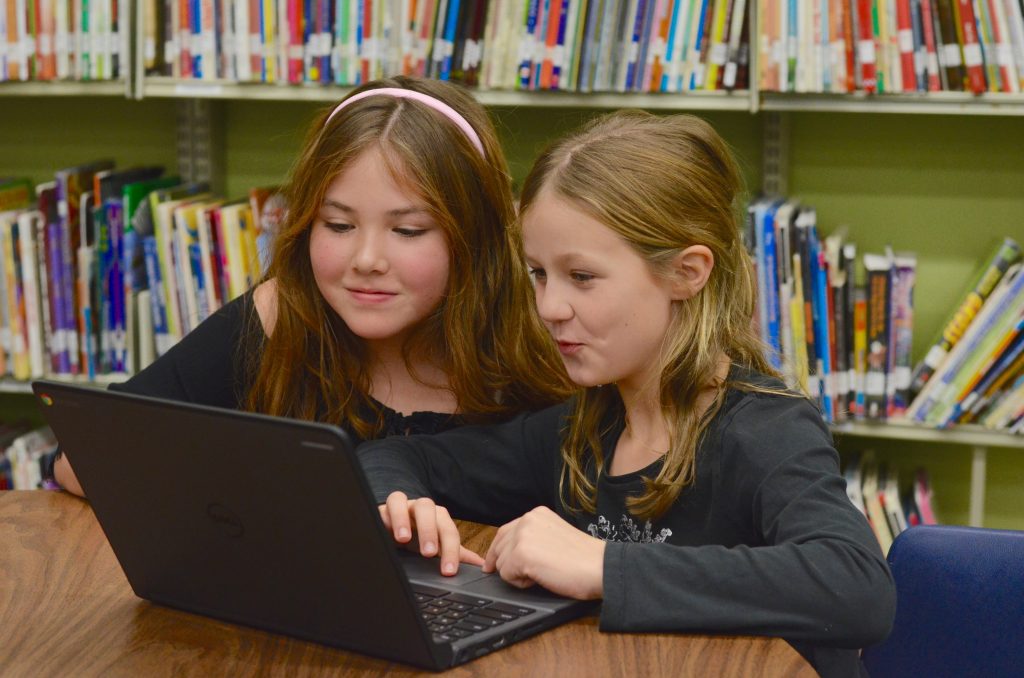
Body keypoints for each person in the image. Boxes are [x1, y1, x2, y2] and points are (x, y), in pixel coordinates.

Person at [361, 111, 895, 677]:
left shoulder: (765, 429)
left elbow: (857, 587)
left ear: (687, 273)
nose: (549, 307)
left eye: (582, 277)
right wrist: (405, 507)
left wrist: (605, 566)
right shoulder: (580, 428)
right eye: (539, 274)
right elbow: (394, 454)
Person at [53, 76, 572, 497]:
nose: (366, 260)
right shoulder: (279, 315)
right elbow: (81, 462)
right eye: (338, 226)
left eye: (408, 231)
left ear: (475, 237)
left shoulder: (546, 340)